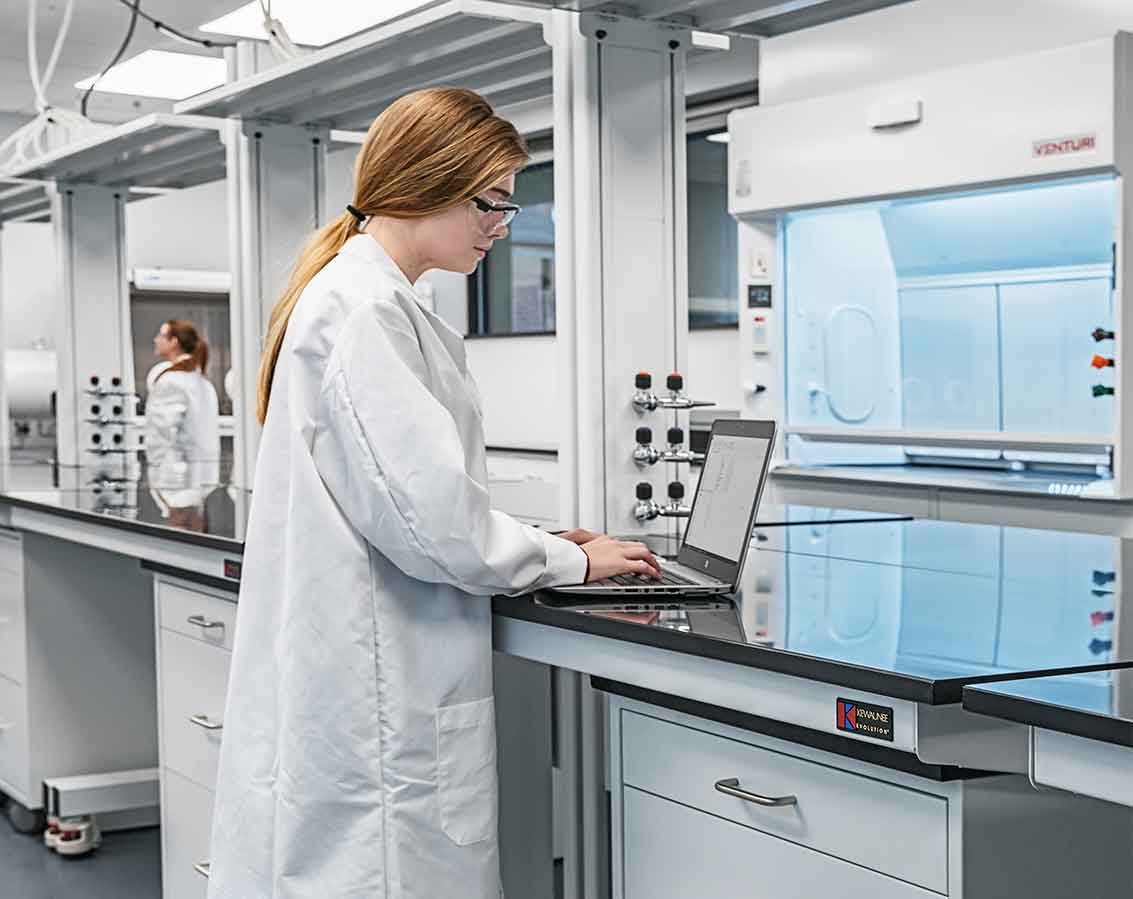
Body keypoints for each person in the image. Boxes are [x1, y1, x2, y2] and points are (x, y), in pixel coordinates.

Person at [207, 88, 661, 899]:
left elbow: (405, 494)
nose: (500, 225)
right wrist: (570, 562)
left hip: (365, 661)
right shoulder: (365, 311)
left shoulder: (365, 302)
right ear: (427, 185)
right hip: (379, 685)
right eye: (491, 202)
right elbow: (439, 527)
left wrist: (546, 538)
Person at [144, 320, 220, 490]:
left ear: (174, 342)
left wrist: (159, 481)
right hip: (203, 479)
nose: (156, 340)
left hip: (175, 483)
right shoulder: (204, 383)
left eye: (161, 335)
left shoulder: (170, 381)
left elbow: (160, 438)